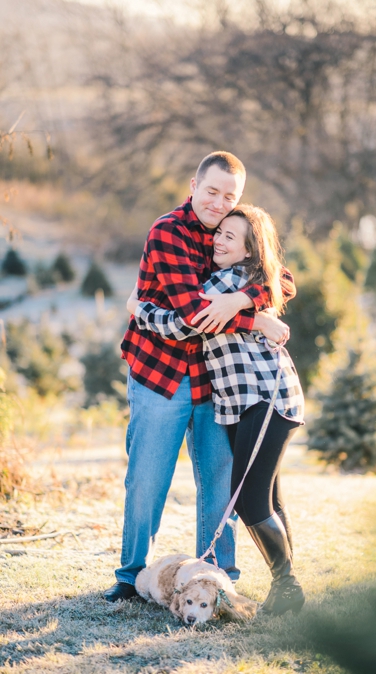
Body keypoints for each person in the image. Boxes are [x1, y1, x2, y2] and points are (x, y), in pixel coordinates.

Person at [104, 152, 293, 603]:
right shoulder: (168, 232)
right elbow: (191, 314)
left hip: (214, 380)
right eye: (211, 191)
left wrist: (240, 301)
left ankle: (219, 574)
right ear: (193, 185)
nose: (218, 202)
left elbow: (282, 279)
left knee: (219, 479)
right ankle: (132, 576)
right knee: (147, 479)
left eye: (230, 196)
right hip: (160, 373)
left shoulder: (235, 232)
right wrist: (255, 320)